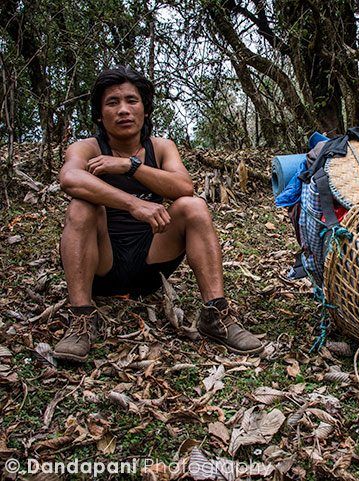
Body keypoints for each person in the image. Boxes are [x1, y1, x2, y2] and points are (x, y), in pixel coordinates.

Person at [54, 66, 263, 361]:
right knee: (81, 205)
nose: (124, 110)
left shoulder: (161, 147)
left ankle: (217, 315)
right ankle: (81, 319)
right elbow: (70, 178)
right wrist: (133, 203)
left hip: (150, 263)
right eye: (113, 102)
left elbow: (184, 187)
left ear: (145, 110)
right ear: (100, 115)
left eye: (132, 100)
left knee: (193, 206)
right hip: (100, 265)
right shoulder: (86, 148)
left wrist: (131, 166)